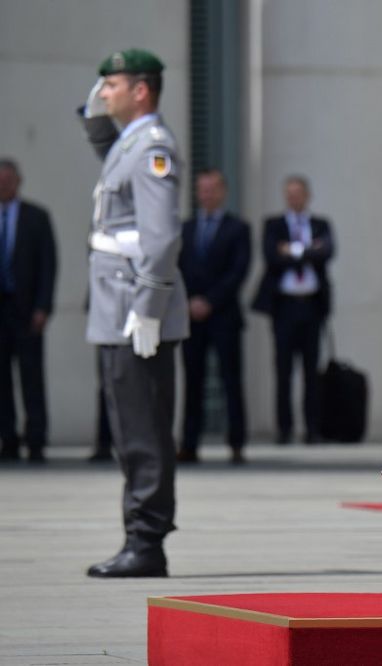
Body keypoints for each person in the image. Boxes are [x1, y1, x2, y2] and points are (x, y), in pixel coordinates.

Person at [78, 49, 188, 577]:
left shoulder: (152, 148)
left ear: (141, 90)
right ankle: (139, 538)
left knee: (143, 430)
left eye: (113, 83)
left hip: (134, 309)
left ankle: (146, 543)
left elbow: (162, 236)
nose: (104, 91)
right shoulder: (127, 143)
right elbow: (96, 130)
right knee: (128, 428)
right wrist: (96, 97)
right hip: (116, 305)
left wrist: (148, 305)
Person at [251, 175, 334, 444]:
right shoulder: (274, 225)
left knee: (311, 370)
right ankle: (284, 428)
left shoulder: (320, 224)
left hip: (311, 305)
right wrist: (308, 250)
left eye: (298, 193)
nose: (294, 198)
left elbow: (326, 253)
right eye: (290, 193)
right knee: (283, 370)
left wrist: (293, 250)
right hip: (284, 307)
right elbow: (272, 257)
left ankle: (312, 428)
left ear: (307, 195)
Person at [178, 168, 251, 464]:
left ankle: (236, 442)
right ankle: (189, 443)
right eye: (202, 190)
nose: (207, 195)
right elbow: (177, 268)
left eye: (212, 190)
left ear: (222, 192)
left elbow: (238, 271)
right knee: (191, 381)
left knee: (230, 380)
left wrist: (209, 301)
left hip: (223, 317)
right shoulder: (185, 229)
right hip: (191, 318)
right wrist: (190, 302)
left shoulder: (238, 229)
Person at [0, 159, 57, 463]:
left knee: (31, 377)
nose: (3, 186)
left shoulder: (36, 217)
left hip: (26, 310)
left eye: (8, 180)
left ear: (18, 182)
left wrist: (43, 307)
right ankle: (7, 438)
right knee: (2, 381)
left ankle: (36, 439)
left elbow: (48, 265)